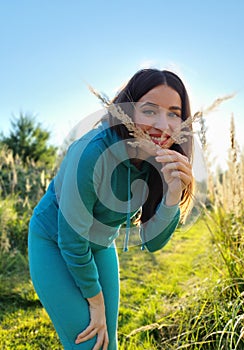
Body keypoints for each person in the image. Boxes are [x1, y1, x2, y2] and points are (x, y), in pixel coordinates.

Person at [28, 68, 194, 350]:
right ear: (127, 110)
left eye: (174, 113)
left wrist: (173, 194)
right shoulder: (91, 152)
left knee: (109, 344)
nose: (163, 124)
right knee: (90, 343)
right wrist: (96, 301)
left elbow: (153, 243)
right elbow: (71, 239)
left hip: (100, 244)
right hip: (55, 241)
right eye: (150, 111)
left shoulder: (160, 161)